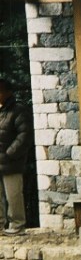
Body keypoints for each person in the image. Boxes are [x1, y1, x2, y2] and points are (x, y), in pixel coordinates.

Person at [0, 78, 32, 235]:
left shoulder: (18, 109)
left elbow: (24, 136)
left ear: (7, 92)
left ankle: (17, 226)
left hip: (11, 161)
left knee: (13, 194)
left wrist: (8, 154)